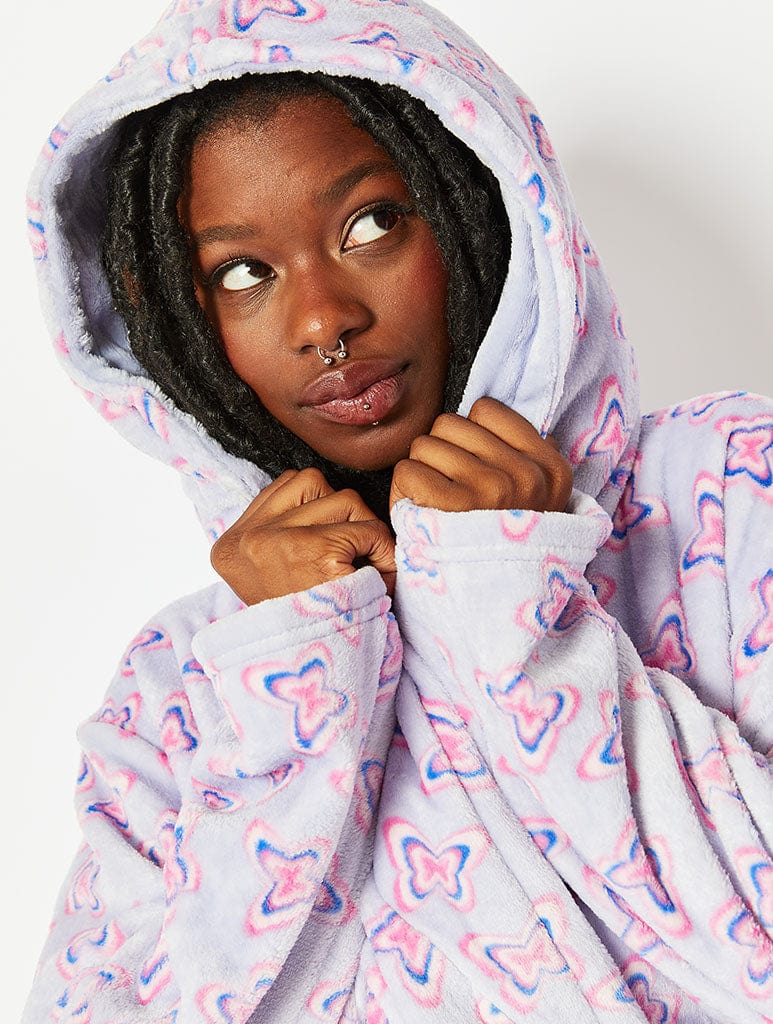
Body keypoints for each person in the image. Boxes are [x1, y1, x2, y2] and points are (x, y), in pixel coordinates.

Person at [23, 0, 773, 1021]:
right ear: (183, 323)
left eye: (370, 223)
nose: (323, 320)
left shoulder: (732, 488)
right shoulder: (182, 690)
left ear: (479, 203)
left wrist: (507, 601)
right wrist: (292, 677)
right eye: (243, 273)